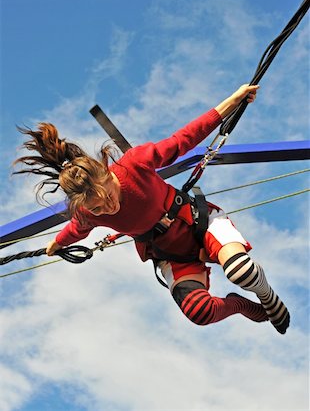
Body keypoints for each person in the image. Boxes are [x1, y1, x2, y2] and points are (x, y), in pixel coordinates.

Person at [13, 84, 290, 334]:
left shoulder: (134, 164)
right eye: (97, 208)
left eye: (108, 197)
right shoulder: (85, 212)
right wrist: (55, 244)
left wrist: (231, 101)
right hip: (169, 253)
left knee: (240, 271)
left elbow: (185, 138)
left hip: (198, 224)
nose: (108, 208)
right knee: (199, 312)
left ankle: (267, 297)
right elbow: (75, 230)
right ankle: (241, 306)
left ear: (108, 175)